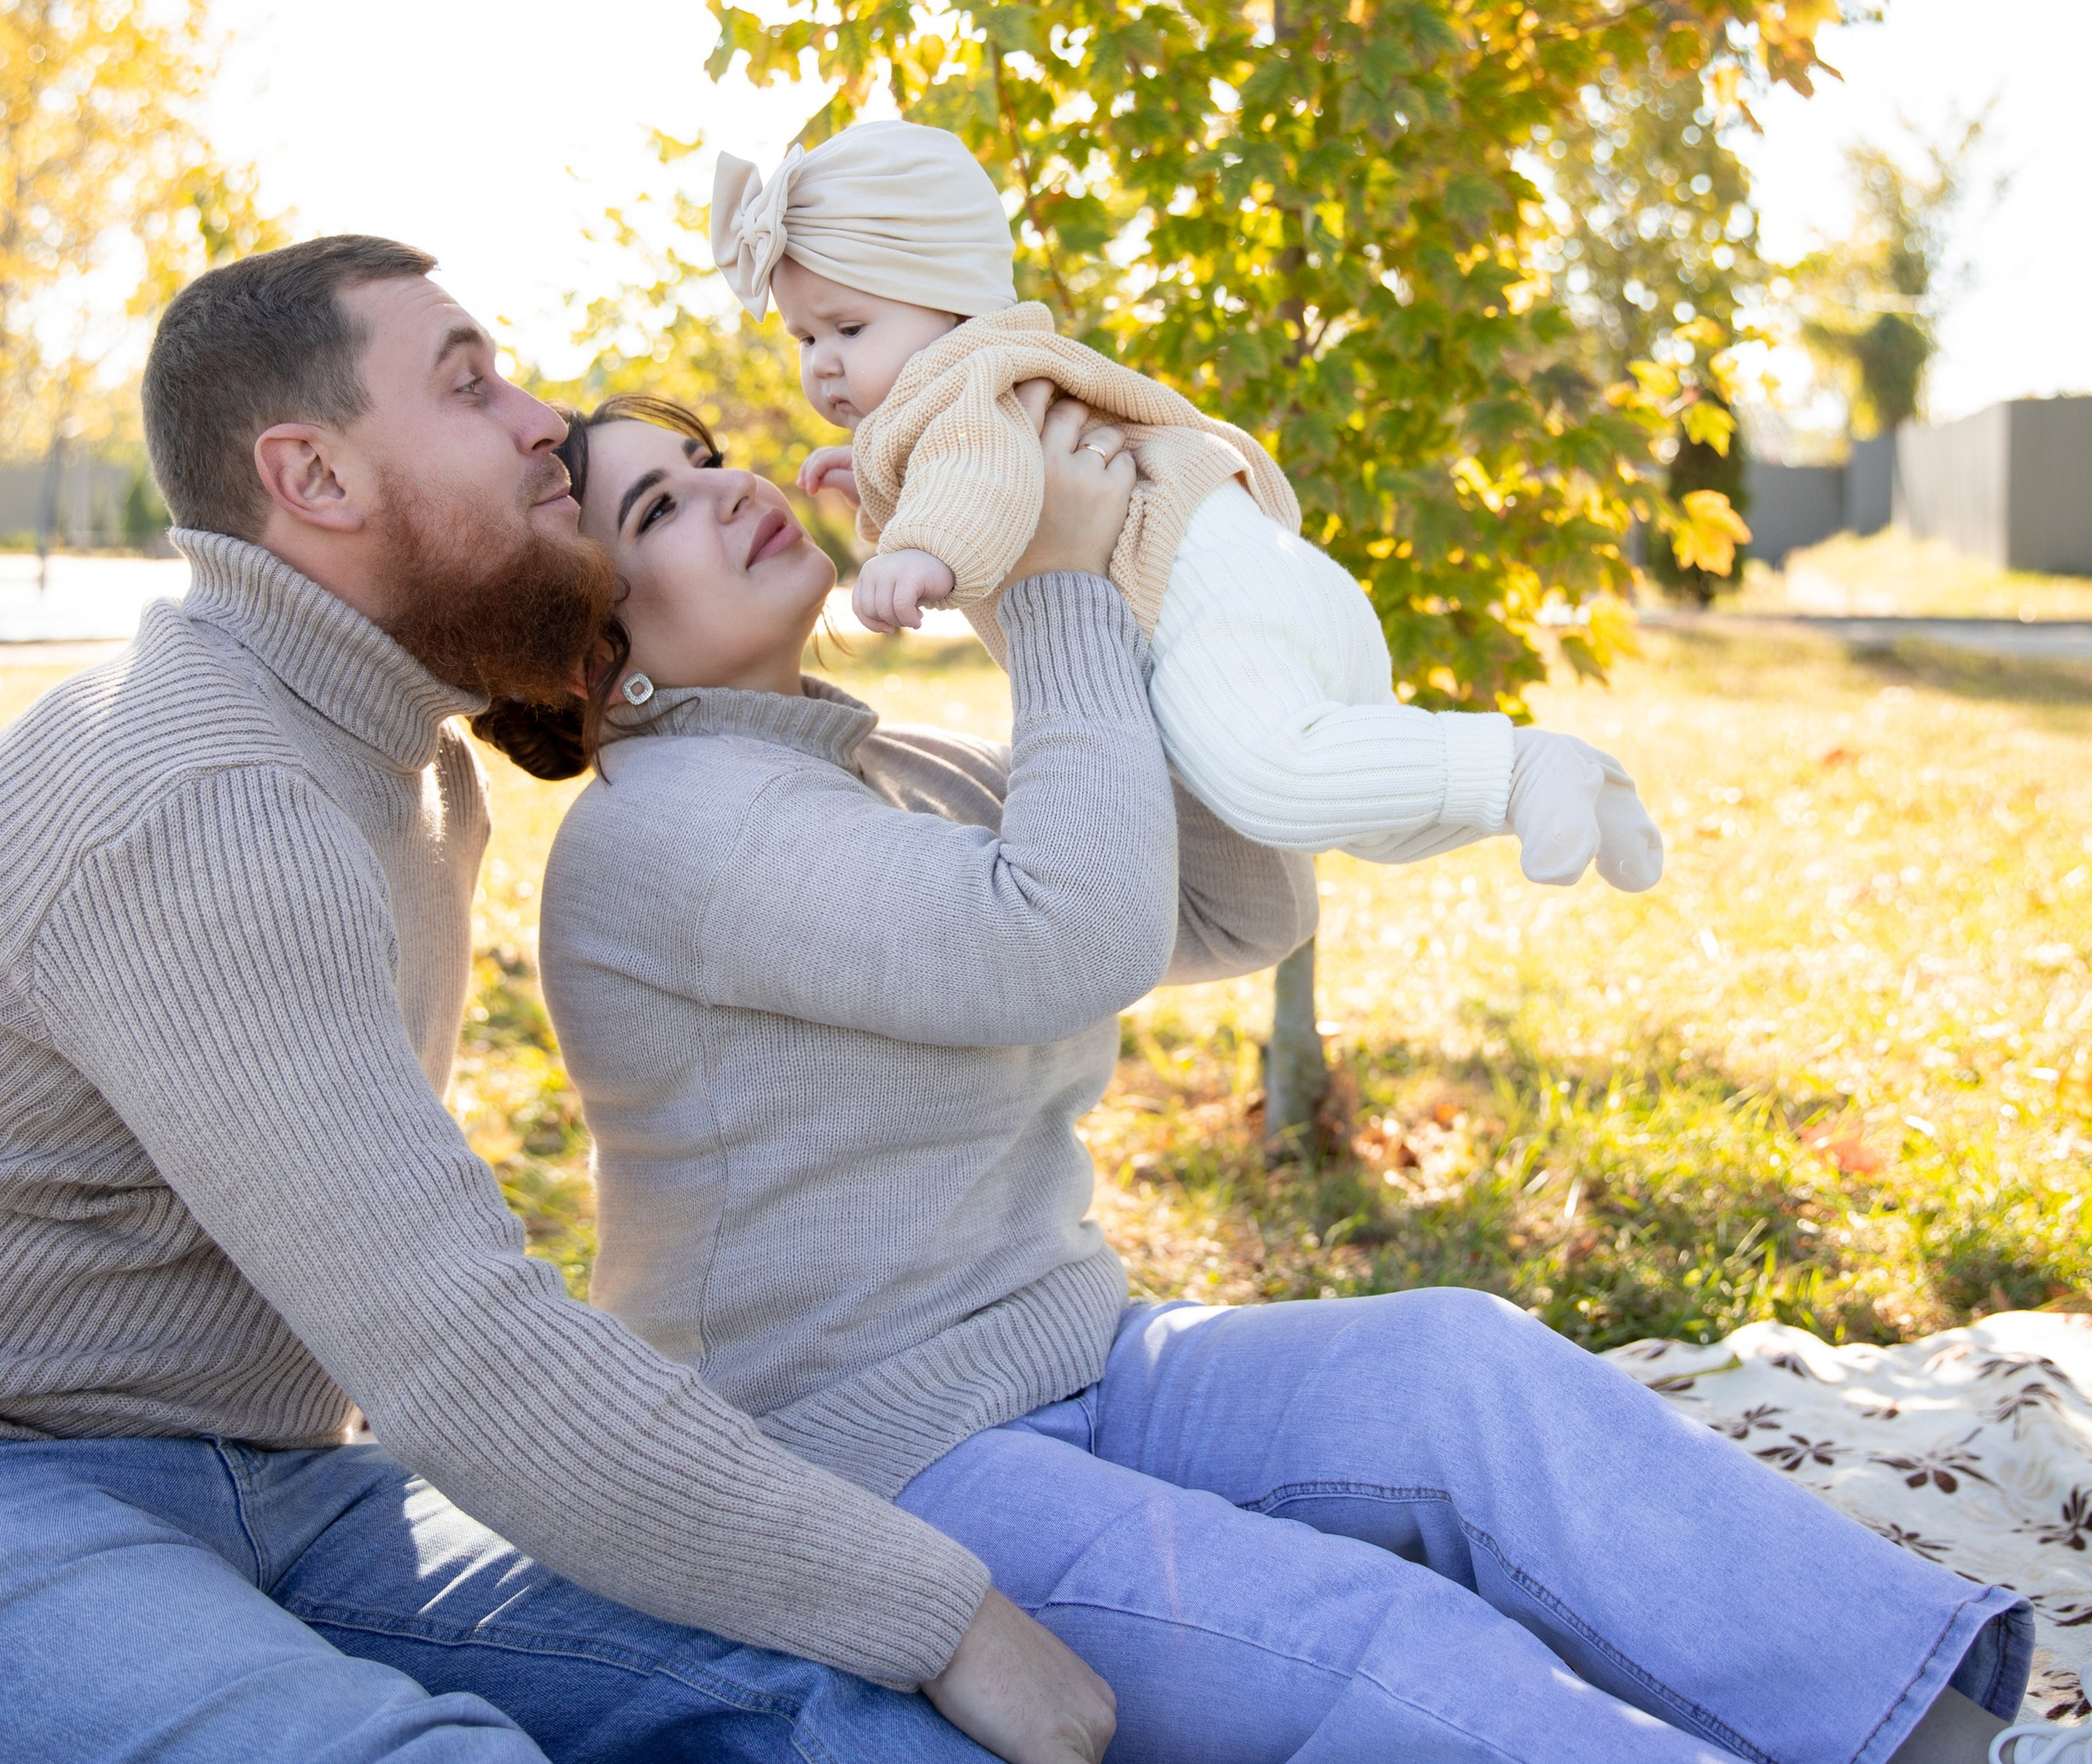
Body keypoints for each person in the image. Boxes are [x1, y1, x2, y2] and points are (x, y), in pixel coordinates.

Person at [528, 384, 2036, 1764]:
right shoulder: (665, 837)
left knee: (1461, 1367)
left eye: (706, 463)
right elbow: (1062, 937)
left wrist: (1053, 569)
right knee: (1370, 1638)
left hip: (1080, 1361)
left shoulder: (882, 765)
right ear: (598, 655)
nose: (724, 491)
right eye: (653, 509)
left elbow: (1235, 908)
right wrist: (1048, 585)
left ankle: (1924, 1740)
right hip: (874, 1464)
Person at [0, 236, 1116, 1764]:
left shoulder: (410, 762)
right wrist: (947, 1610)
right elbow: (458, 1343)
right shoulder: (204, 790)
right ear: (317, 479)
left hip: (279, 1473)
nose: (545, 419)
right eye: (472, 385)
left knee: (833, 1713)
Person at [710, 118, 1662, 896]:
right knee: (1348, 802)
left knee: (1272, 778)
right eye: (802, 337)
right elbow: (973, 466)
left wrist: (916, 548)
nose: (822, 361)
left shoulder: (965, 382)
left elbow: (978, 475)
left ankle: (1526, 766)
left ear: (951, 307)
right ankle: (1573, 795)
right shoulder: (968, 396)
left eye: (847, 327)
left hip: (1193, 582)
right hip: (1260, 572)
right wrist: (886, 487)